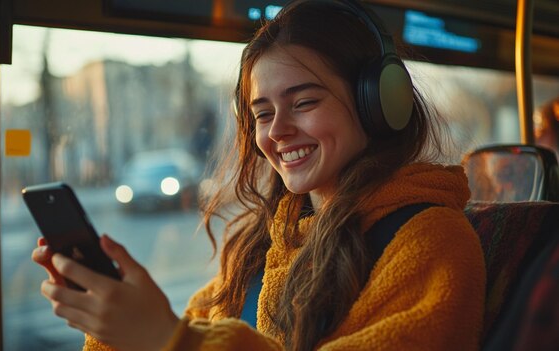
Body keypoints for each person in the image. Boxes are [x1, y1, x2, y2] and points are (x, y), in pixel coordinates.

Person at [32, 1, 486, 350]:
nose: (278, 131)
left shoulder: (429, 238)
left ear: (380, 102)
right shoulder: (263, 244)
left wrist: (171, 340)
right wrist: (112, 322)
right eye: (262, 113)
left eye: (304, 102)